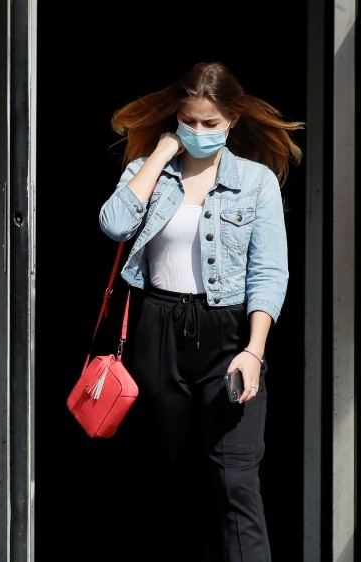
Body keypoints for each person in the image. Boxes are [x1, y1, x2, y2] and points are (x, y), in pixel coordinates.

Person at [98, 61, 303, 561]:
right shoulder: (149, 172)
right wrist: (162, 150)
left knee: (236, 478)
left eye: (210, 123)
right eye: (188, 121)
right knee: (169, 475)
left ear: (232, 120)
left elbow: (269, 273)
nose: (198, 131)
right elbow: (114, 223)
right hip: (158, 329)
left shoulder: (255, 182)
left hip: (228, 333)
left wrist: (253, 352)